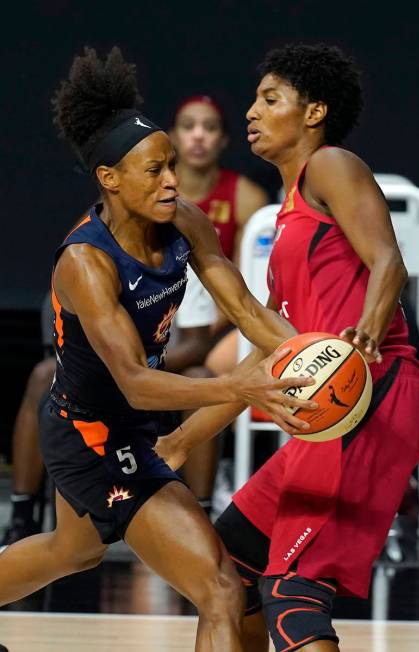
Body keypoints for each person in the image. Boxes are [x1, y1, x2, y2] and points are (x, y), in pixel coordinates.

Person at [0, 46, 316, 652]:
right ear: (109, 179)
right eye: (154, 170)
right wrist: (238, 387)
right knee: (220, 589)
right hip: (90, 433)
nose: (173, 179)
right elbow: (134, 382)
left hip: (128, 424)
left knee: (75, 551)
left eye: (172, 164)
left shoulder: (186, 220)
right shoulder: (86, 263)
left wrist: (317, 351)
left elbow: (247, 313)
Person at [155, 43, 419, 651]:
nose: (252, 111)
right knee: (223, 568)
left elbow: (389, 261)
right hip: (331, 413)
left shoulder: (331, 165)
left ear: (314, 112)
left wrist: (363, 335)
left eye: (270, 98)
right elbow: (265, 358)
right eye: (255, 99)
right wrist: (179, 440)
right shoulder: (286, 219)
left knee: (293, 592)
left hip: (369, 400)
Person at [165, 95, 268, 514]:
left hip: (220, 322)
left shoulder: (246, 198)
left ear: (223, 140)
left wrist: (200, 336)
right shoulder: (152, 188)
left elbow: (248, 287)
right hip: (158, 316)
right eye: (188, 125)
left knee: (207, 373)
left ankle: (203, 497)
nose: (198, 136)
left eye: (208, 127)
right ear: (172, 136)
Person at [1, 292, 55, 545]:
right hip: (100, 368)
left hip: (148, 369)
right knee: (43, 376)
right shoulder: (85, 261)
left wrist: (136, 370)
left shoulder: (179, 268)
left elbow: (195, 345)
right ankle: (22, 516)